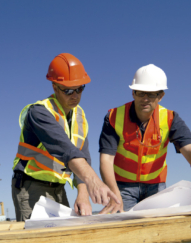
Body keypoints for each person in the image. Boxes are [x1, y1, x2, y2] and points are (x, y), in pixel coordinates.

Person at [12, 53, 119, 221]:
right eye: (68, 90)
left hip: (58, 187)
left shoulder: (80, 116)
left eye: (79, 88)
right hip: (30, 186)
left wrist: (83, 193)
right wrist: (93, 181)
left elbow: (83, 154)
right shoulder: (39, 112)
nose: (75, 95)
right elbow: (66, 150)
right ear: (55, 87)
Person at [99, 64, 191, 214]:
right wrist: (114, 195)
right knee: (125, 229)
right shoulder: (114, 117)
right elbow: (106, 160)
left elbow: (188, 148)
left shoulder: (170, 118)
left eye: (152, 94)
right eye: (141, 93)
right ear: (133, 93)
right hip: (122, 186)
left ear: (161, 96)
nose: (145, 99)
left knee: (158, 230)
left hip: (156, 186)